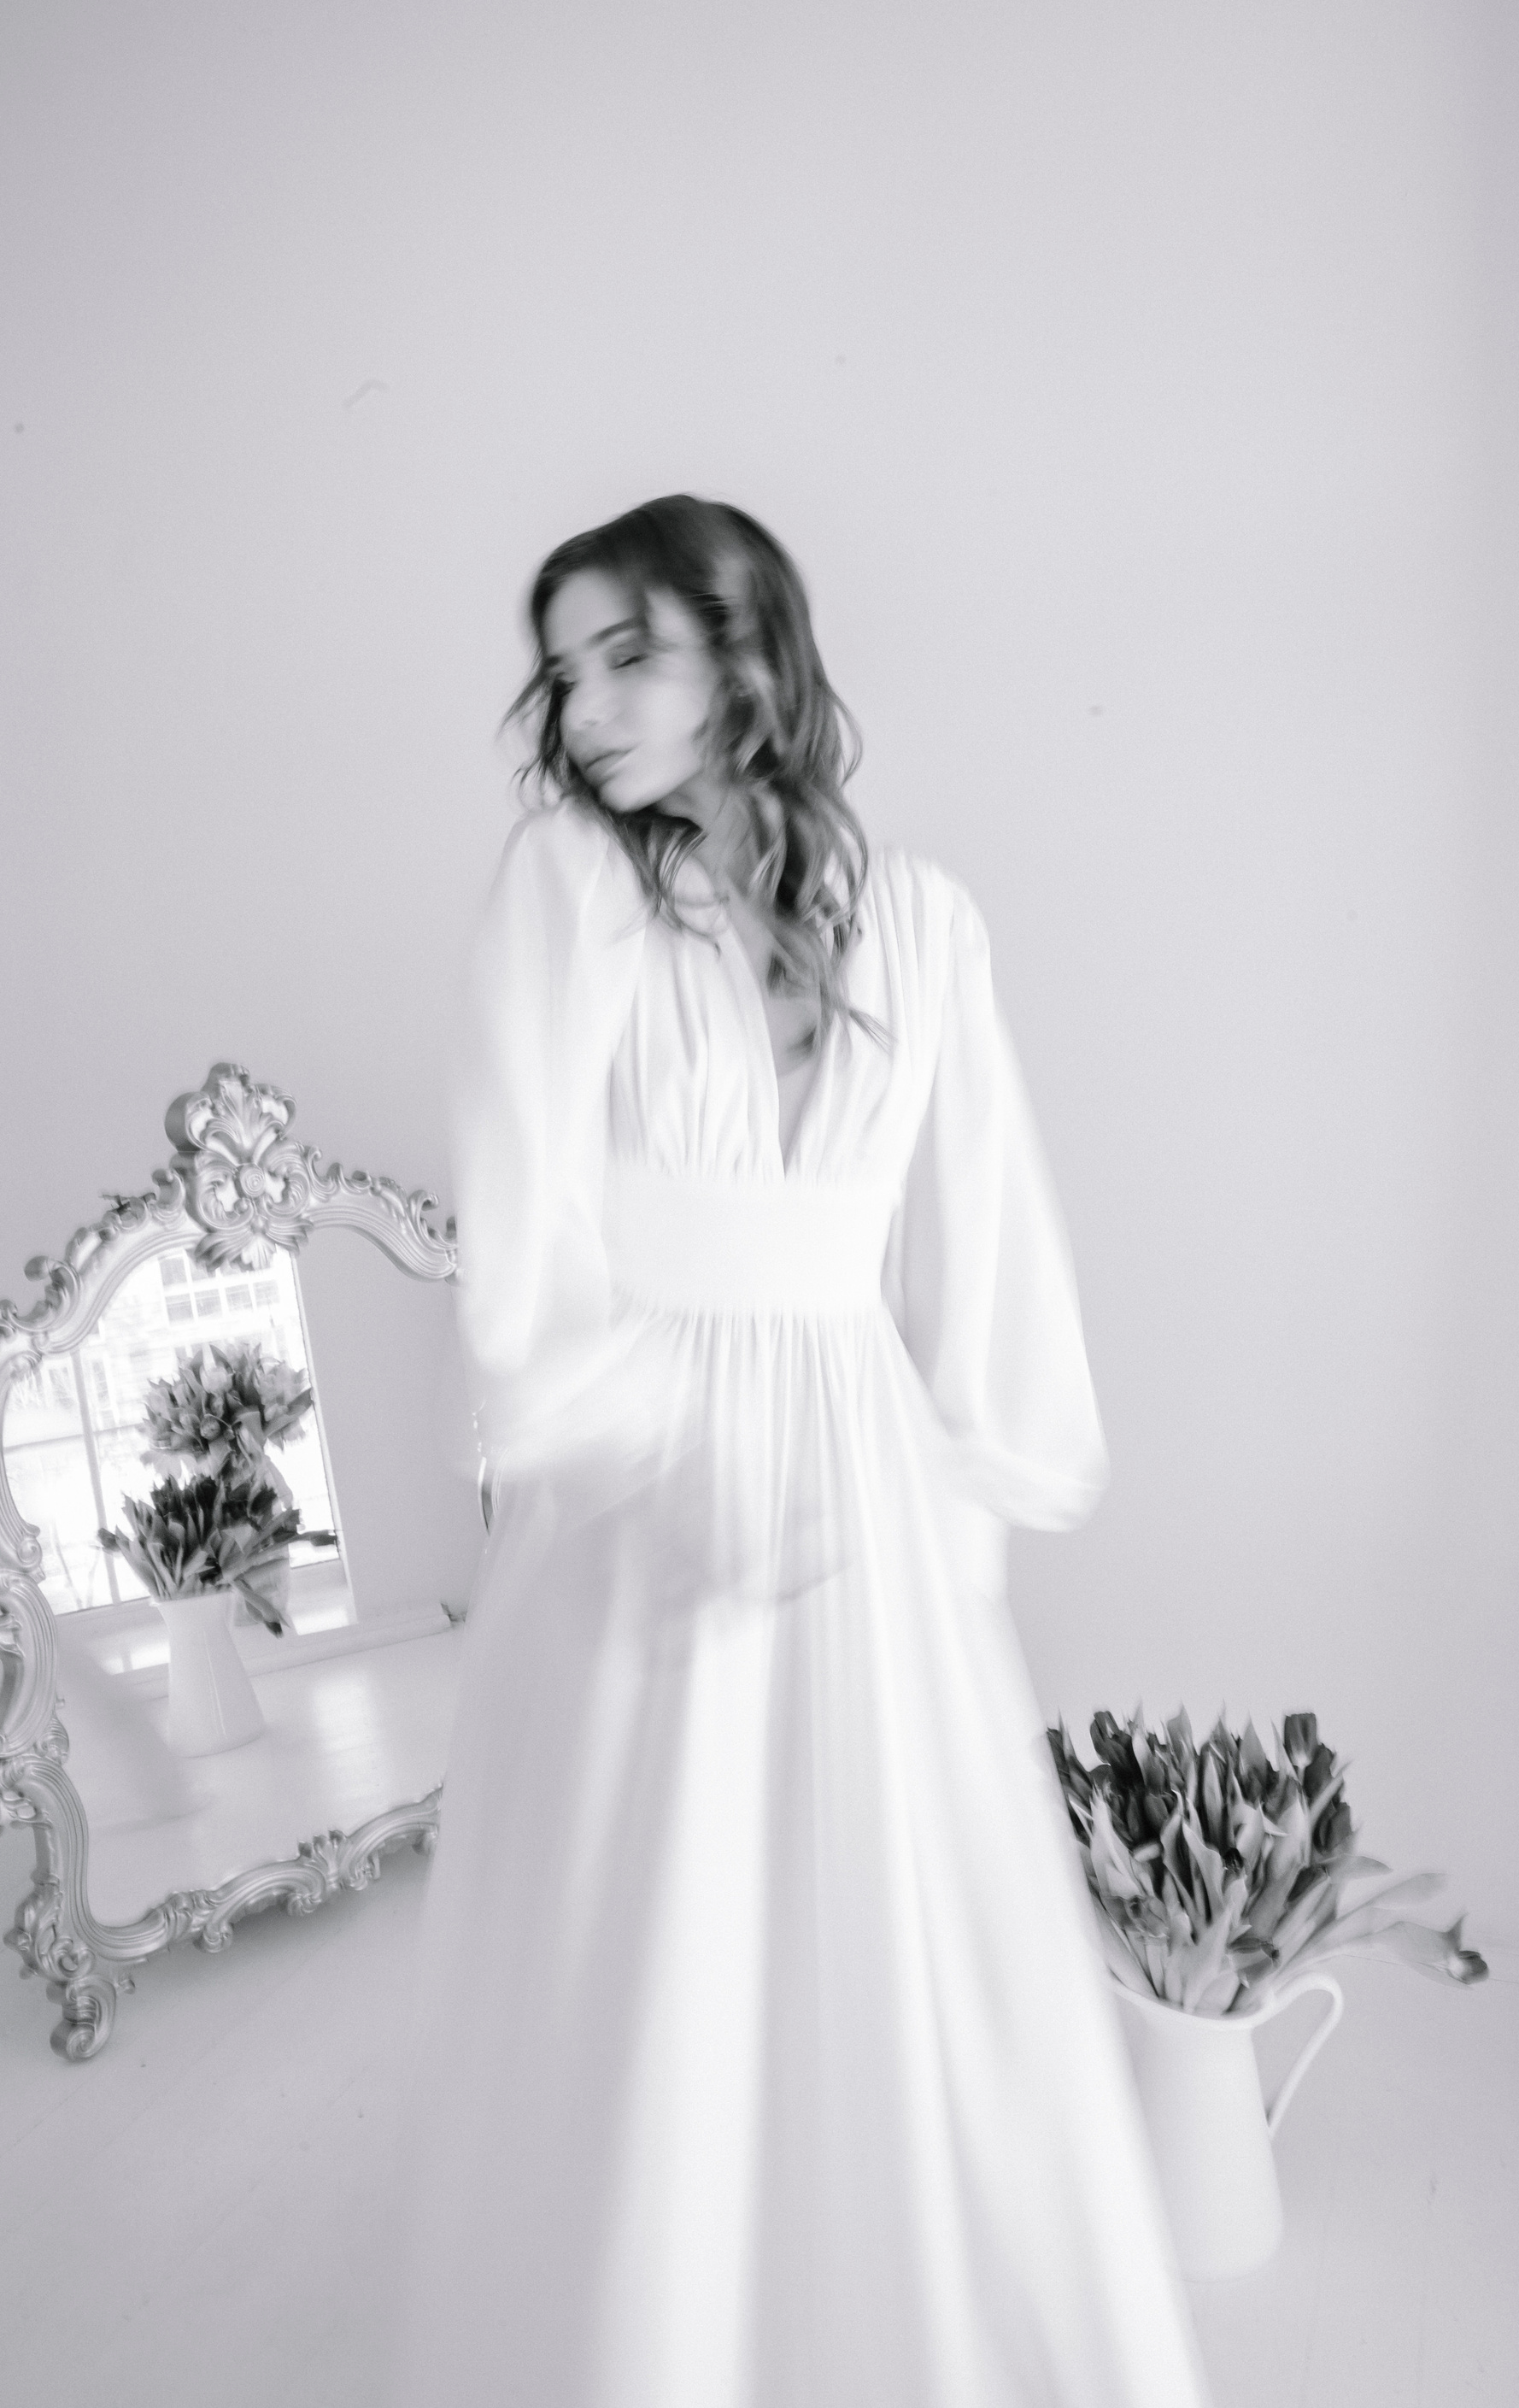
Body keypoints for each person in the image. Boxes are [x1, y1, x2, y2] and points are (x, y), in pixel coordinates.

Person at [387, 496, 1211, 2407]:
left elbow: (983, 1222)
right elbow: (520, 1207)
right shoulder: (570, 892)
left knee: (889, 1929)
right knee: (660, 1934)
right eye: (564, 672)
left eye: (630, 654)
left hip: (858, 1458)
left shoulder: (922, 920)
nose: (586, 708)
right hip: (639, 1462)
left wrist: (970, 1491)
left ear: (748, 652)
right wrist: (617, 1453)